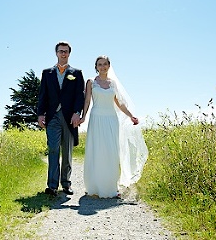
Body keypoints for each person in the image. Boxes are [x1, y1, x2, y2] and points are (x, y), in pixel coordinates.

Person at [80, 55, 148, 198]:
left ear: (109, 66)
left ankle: (111, 187)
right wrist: (83, 116)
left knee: (112, 152)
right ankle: (95, 186)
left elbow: (119, 103)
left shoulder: (113, 84)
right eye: (99, 64)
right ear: (96, 67)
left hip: (111, 119)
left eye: (105, 64)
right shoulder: (91, 82)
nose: (102, 67)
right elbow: (87, 101)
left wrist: (130, 115)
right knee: (97, 150)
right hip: (96, 118)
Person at [37, 41, 85, 196]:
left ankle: (66, 183)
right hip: (52, 117)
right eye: (60, 51)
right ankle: (52, 186)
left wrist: (77, 112)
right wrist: (40, 114)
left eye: (65, 51)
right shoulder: (47, 73)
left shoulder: (76, 73)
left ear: (69, 54)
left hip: (70, 118)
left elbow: (80, 95)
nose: (63, 54)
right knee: (53, 149)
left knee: (67, 152)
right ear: (56, 53)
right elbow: (42, 96)